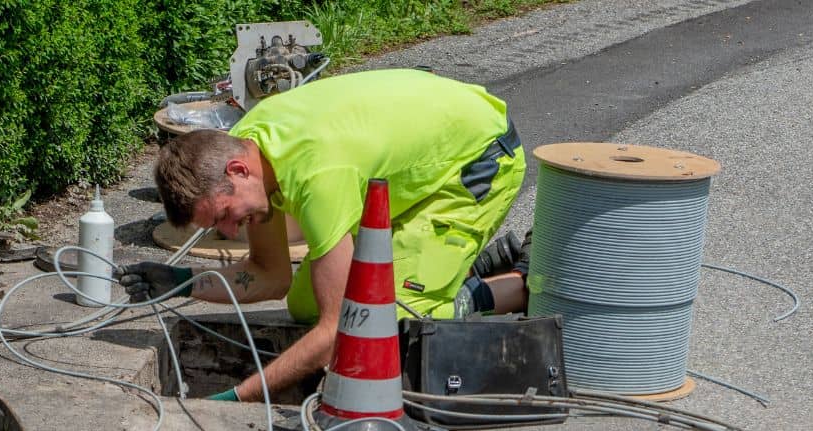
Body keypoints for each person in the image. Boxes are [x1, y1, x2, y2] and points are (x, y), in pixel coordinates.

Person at [116, 69, 530, 402]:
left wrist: (237, 397)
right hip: (413, 168)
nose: (228, 231)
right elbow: (272, 275)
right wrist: (181, 282)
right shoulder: (253, 148)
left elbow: (339, 331)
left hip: (477, 160)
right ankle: (454, 268)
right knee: (304, 301)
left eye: (224, 215)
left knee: (389, 323)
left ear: (237, 171)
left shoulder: (317, 177)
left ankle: (504, 288)